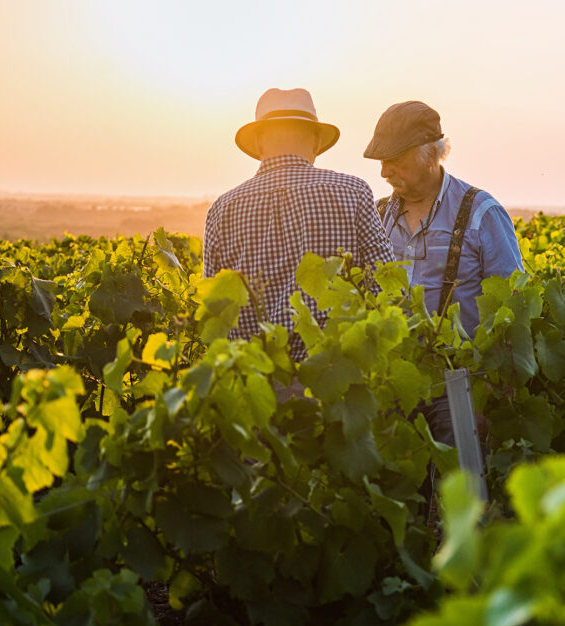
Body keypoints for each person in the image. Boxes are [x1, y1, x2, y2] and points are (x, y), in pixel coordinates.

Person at [363, 101, 523, 469]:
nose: (384, 171)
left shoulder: (481, 212)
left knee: (464, 496)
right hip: (397, 380)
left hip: (463, 383)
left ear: (430, 154)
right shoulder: (377, 214)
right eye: (380, 161)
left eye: (394, 159)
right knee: (402, 493)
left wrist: (494, 392)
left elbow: (511, 305)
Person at [204, 88, 395, 370]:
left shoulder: (222, 209)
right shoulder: (353, 192)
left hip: (254, 382)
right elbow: (385, 283)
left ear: (257, 143)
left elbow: (214, 315)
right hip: (337, 375)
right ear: (317, 141)